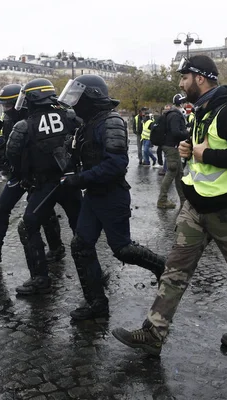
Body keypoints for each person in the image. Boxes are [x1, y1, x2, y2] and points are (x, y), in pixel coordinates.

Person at [112, 55, 227, 355]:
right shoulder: (201, 111)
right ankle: (153, 333)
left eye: (185, 77)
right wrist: (188, 149)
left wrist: (203, 156)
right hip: (195, 209)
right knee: (174, 270)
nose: (181, 83)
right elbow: (201, 152)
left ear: (200, 78)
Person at [57, 74, 166, 320]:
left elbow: (116, 164)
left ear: (92, 97)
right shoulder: (89, 123)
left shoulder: (111, 122)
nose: (74, 103)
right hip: (93, 195)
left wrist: (79, 179)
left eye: (78, 97)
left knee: (122, 249)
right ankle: (97, 304)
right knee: (81, 245)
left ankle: (162, 267)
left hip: (112, 195)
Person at [0, 84, 66, 265]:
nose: (5, 109)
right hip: (17, 173)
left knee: (43, 213)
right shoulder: (5, 120)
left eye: (8, 105)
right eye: (2, 105)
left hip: (35, 174)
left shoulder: (34, 119)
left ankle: (56, 248)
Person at [10, 78, 82, 295]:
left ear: (33, 98)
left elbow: (12, 155)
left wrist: (25, 177)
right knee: (81, 229)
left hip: (44, 184)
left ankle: (40, 278)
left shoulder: (25, 125)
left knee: (28, 225)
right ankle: (92, 275)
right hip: (71, 181)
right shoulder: (70, 115)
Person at [157, 95, 188, 209]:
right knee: (171, 172)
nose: (185, 104)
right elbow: (176, 132)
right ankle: (162, 200)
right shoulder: (175, 115)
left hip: (171, 146)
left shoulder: (171, 113)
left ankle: (184, 200)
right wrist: (187, 132)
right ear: (180, 104)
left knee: (179, 174)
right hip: (171, 147)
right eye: (184, 102)